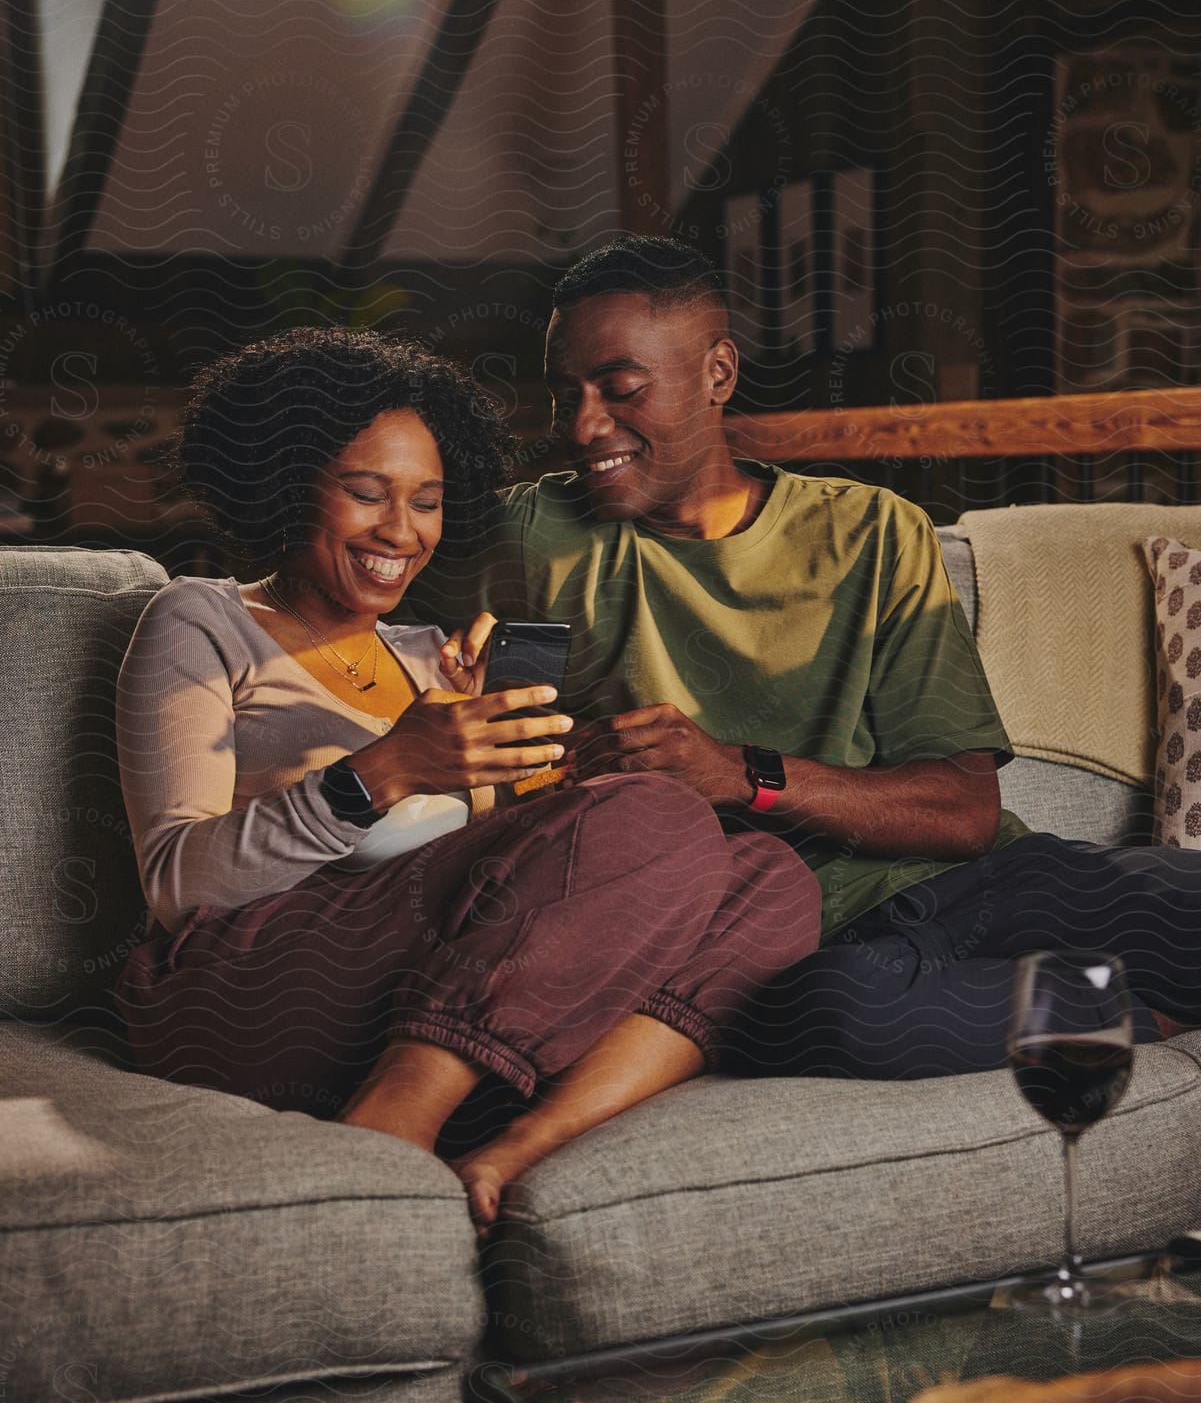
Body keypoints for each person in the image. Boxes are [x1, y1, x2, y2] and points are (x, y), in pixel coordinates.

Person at [413, 236, 1201, 1077]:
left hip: (988, 885)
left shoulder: (870, 530)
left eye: (621, 390)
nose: (582, 427)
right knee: (835, 1015)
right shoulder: (532, 537)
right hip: (803, 947)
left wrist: (736, 773)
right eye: (564, 394)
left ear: (717, 374)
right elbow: (331, 583)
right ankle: (1125, 1014)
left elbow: (964, 812)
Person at [113, 327, 822, 1235]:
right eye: (365, 494)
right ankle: (390, 1131)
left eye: (428, 502)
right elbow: (177, 887)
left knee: (766, 874)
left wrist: (528, 791)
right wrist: (386, 770)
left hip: (414, 991)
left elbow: (492, 891)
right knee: (652, 817)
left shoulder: (431, 662)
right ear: (286, 483)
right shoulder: (203, 619)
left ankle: (517, 1147)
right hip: (234, 991)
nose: (400, 533)